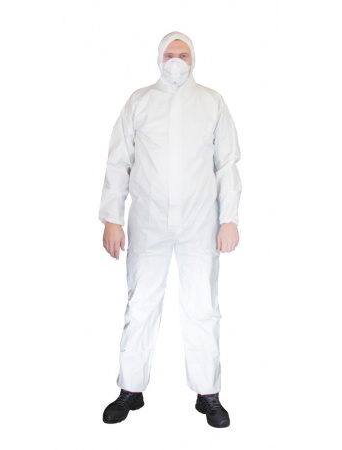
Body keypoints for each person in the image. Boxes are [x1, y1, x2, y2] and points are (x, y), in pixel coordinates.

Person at [98, 31, 242, 428]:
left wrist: (229, 218)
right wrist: (112, 217)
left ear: (194, 59)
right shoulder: (140, 101)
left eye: (184, 54)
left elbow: (226, 163)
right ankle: (130, 389)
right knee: (140, 304)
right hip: (148, 221)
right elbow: (118, 161)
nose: (176, 61)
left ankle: (208, 393)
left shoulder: (211, 102)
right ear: (158, 58)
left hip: (199, 221)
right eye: (169, 54)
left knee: (202, 306)